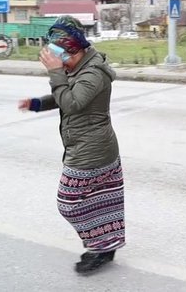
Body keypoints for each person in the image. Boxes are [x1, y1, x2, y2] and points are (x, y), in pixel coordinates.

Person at [18, 15, 125, 274]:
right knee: (101, 201)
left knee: (69, 203)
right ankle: (105, 246)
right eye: (60, 59)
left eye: (65, 57)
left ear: (76, 48)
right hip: (88, 146)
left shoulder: (94, 73)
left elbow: (72, 103)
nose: (63, 63)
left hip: (92, 150)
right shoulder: (78, 69)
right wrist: (36, 103)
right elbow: (64, 95)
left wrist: (55, 72)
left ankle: (99, 246)